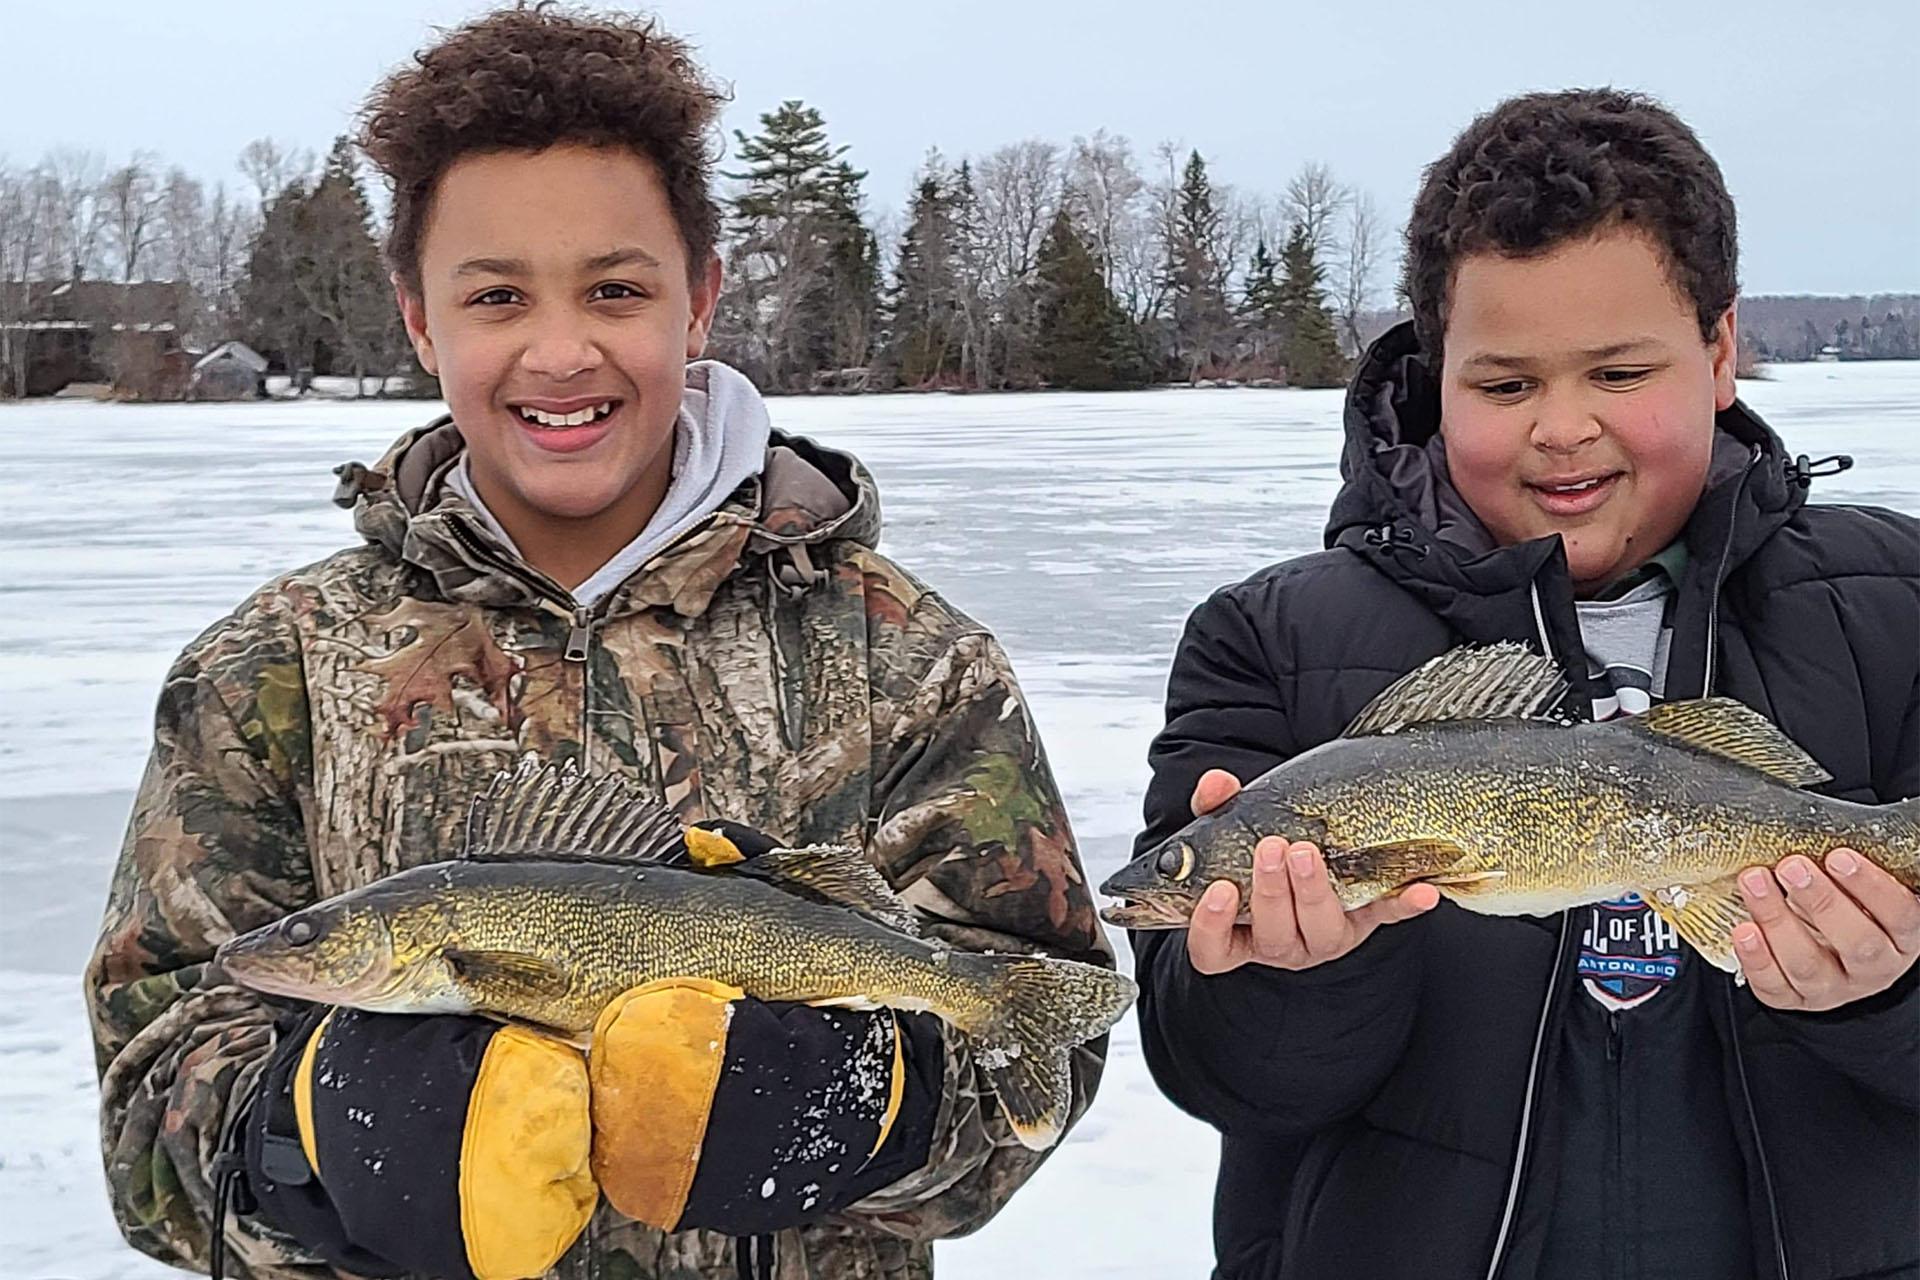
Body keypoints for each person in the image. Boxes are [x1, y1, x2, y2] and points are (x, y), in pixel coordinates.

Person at [87, 9, 1111, 1278]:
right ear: (419, 320)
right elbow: (150, 1079)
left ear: (702, 300)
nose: (561, 351)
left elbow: (1044, 1036)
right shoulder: (268, 671)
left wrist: (876, 1109)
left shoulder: (909, 658)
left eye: (616, 289)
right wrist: (302, 1149)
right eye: (497, 294)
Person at [1130, 88, 1919, 1280]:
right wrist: (1297, 975)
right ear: (1435, 372)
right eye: (1504, 385)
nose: (1562, 429)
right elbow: (1222, 1072)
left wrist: (1884, 995)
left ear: (1718, 352)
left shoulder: (1898, 607)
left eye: (1617, 370)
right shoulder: (1271, 640)